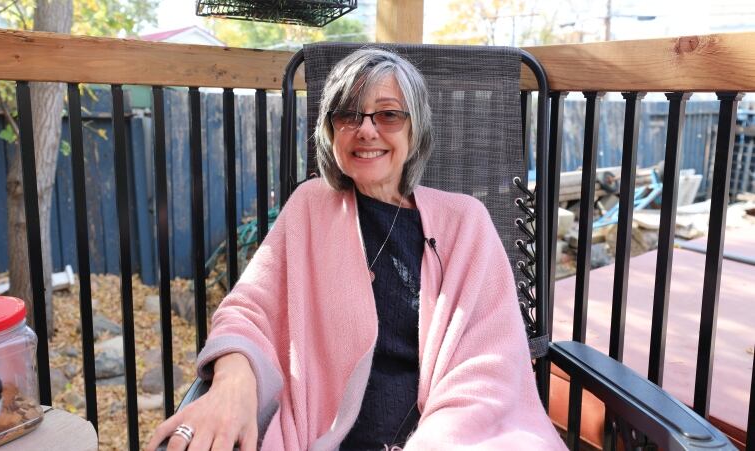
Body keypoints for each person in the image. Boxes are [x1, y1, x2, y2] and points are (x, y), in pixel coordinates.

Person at [147, 48, 565, 451]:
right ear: (331, 131)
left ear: (414, 128)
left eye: (388, 114)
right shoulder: (311, 207)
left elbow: (490, 369)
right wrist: (233, 381)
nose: (366, 129)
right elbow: (248, 310)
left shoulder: (465, 223)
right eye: (348, 114)